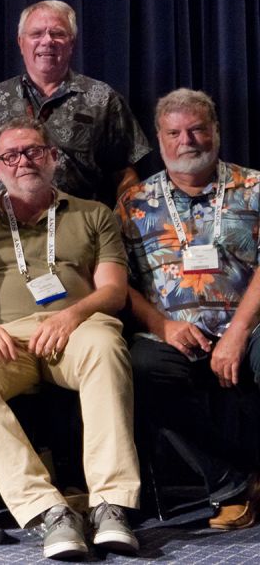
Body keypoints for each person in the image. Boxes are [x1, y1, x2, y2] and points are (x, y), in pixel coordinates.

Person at [0, 117, 140, 560]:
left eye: (32, 151)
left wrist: (70, 316)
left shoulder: (93, 213)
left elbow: (114, 291)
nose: (22, 161)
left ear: (53, 159)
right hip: (2, 338)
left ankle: (110, 503)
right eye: (10, 155)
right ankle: (48, 510)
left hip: (78, 330)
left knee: (107, 348)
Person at [118, 88, 260, 528]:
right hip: (172, 333)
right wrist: (161, 325)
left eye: (198, 129)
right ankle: (233, 482)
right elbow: (117, 282)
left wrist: (237, 332)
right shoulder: (133, 203)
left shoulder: (253, 187)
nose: (188, 141)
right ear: (159, 141)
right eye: (175, 132)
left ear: (215, 131)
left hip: (249, 325)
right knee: (139, 369)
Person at [0, 0, 150, 207]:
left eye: (58, 34)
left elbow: (125, 172)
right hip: (6, 232)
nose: (47, 41)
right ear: (20, 42)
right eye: (36, 34)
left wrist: (125, 219)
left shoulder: (103, 99)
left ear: (72, 43)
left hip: (81, 230)